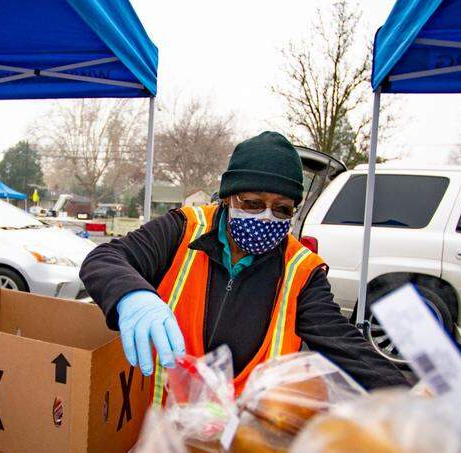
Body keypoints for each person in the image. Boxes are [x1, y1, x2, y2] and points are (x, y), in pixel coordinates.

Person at [80, 131, 406, 402]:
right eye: (253, 203)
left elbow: (343, 343)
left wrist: (409, 397)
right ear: (228, 197)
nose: (266, 216)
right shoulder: (182, 230)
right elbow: (104, 259)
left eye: (281, 209)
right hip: (156, 439)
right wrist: (133, 295)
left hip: (237, 447)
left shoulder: (300, 271)